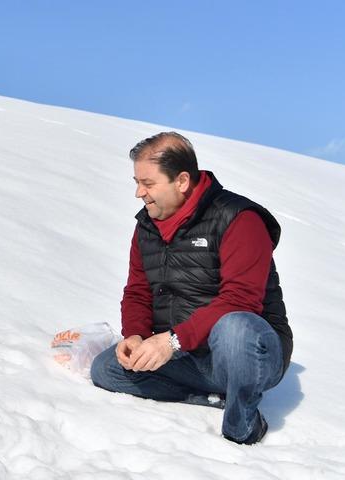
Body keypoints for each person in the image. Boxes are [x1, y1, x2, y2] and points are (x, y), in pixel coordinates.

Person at [90, 131, 293, 445]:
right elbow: (138, 291)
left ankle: (243, 426)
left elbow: (241, 300)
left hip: (248, 353)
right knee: (106, 369)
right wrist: (135, 335)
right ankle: (210, 397)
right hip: (187, 353)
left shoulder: (239, 219)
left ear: (182, 181)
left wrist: (171, 342)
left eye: (148, 183)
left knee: (236, 326)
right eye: (137, 182)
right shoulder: (147, 227)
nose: (139, 193)